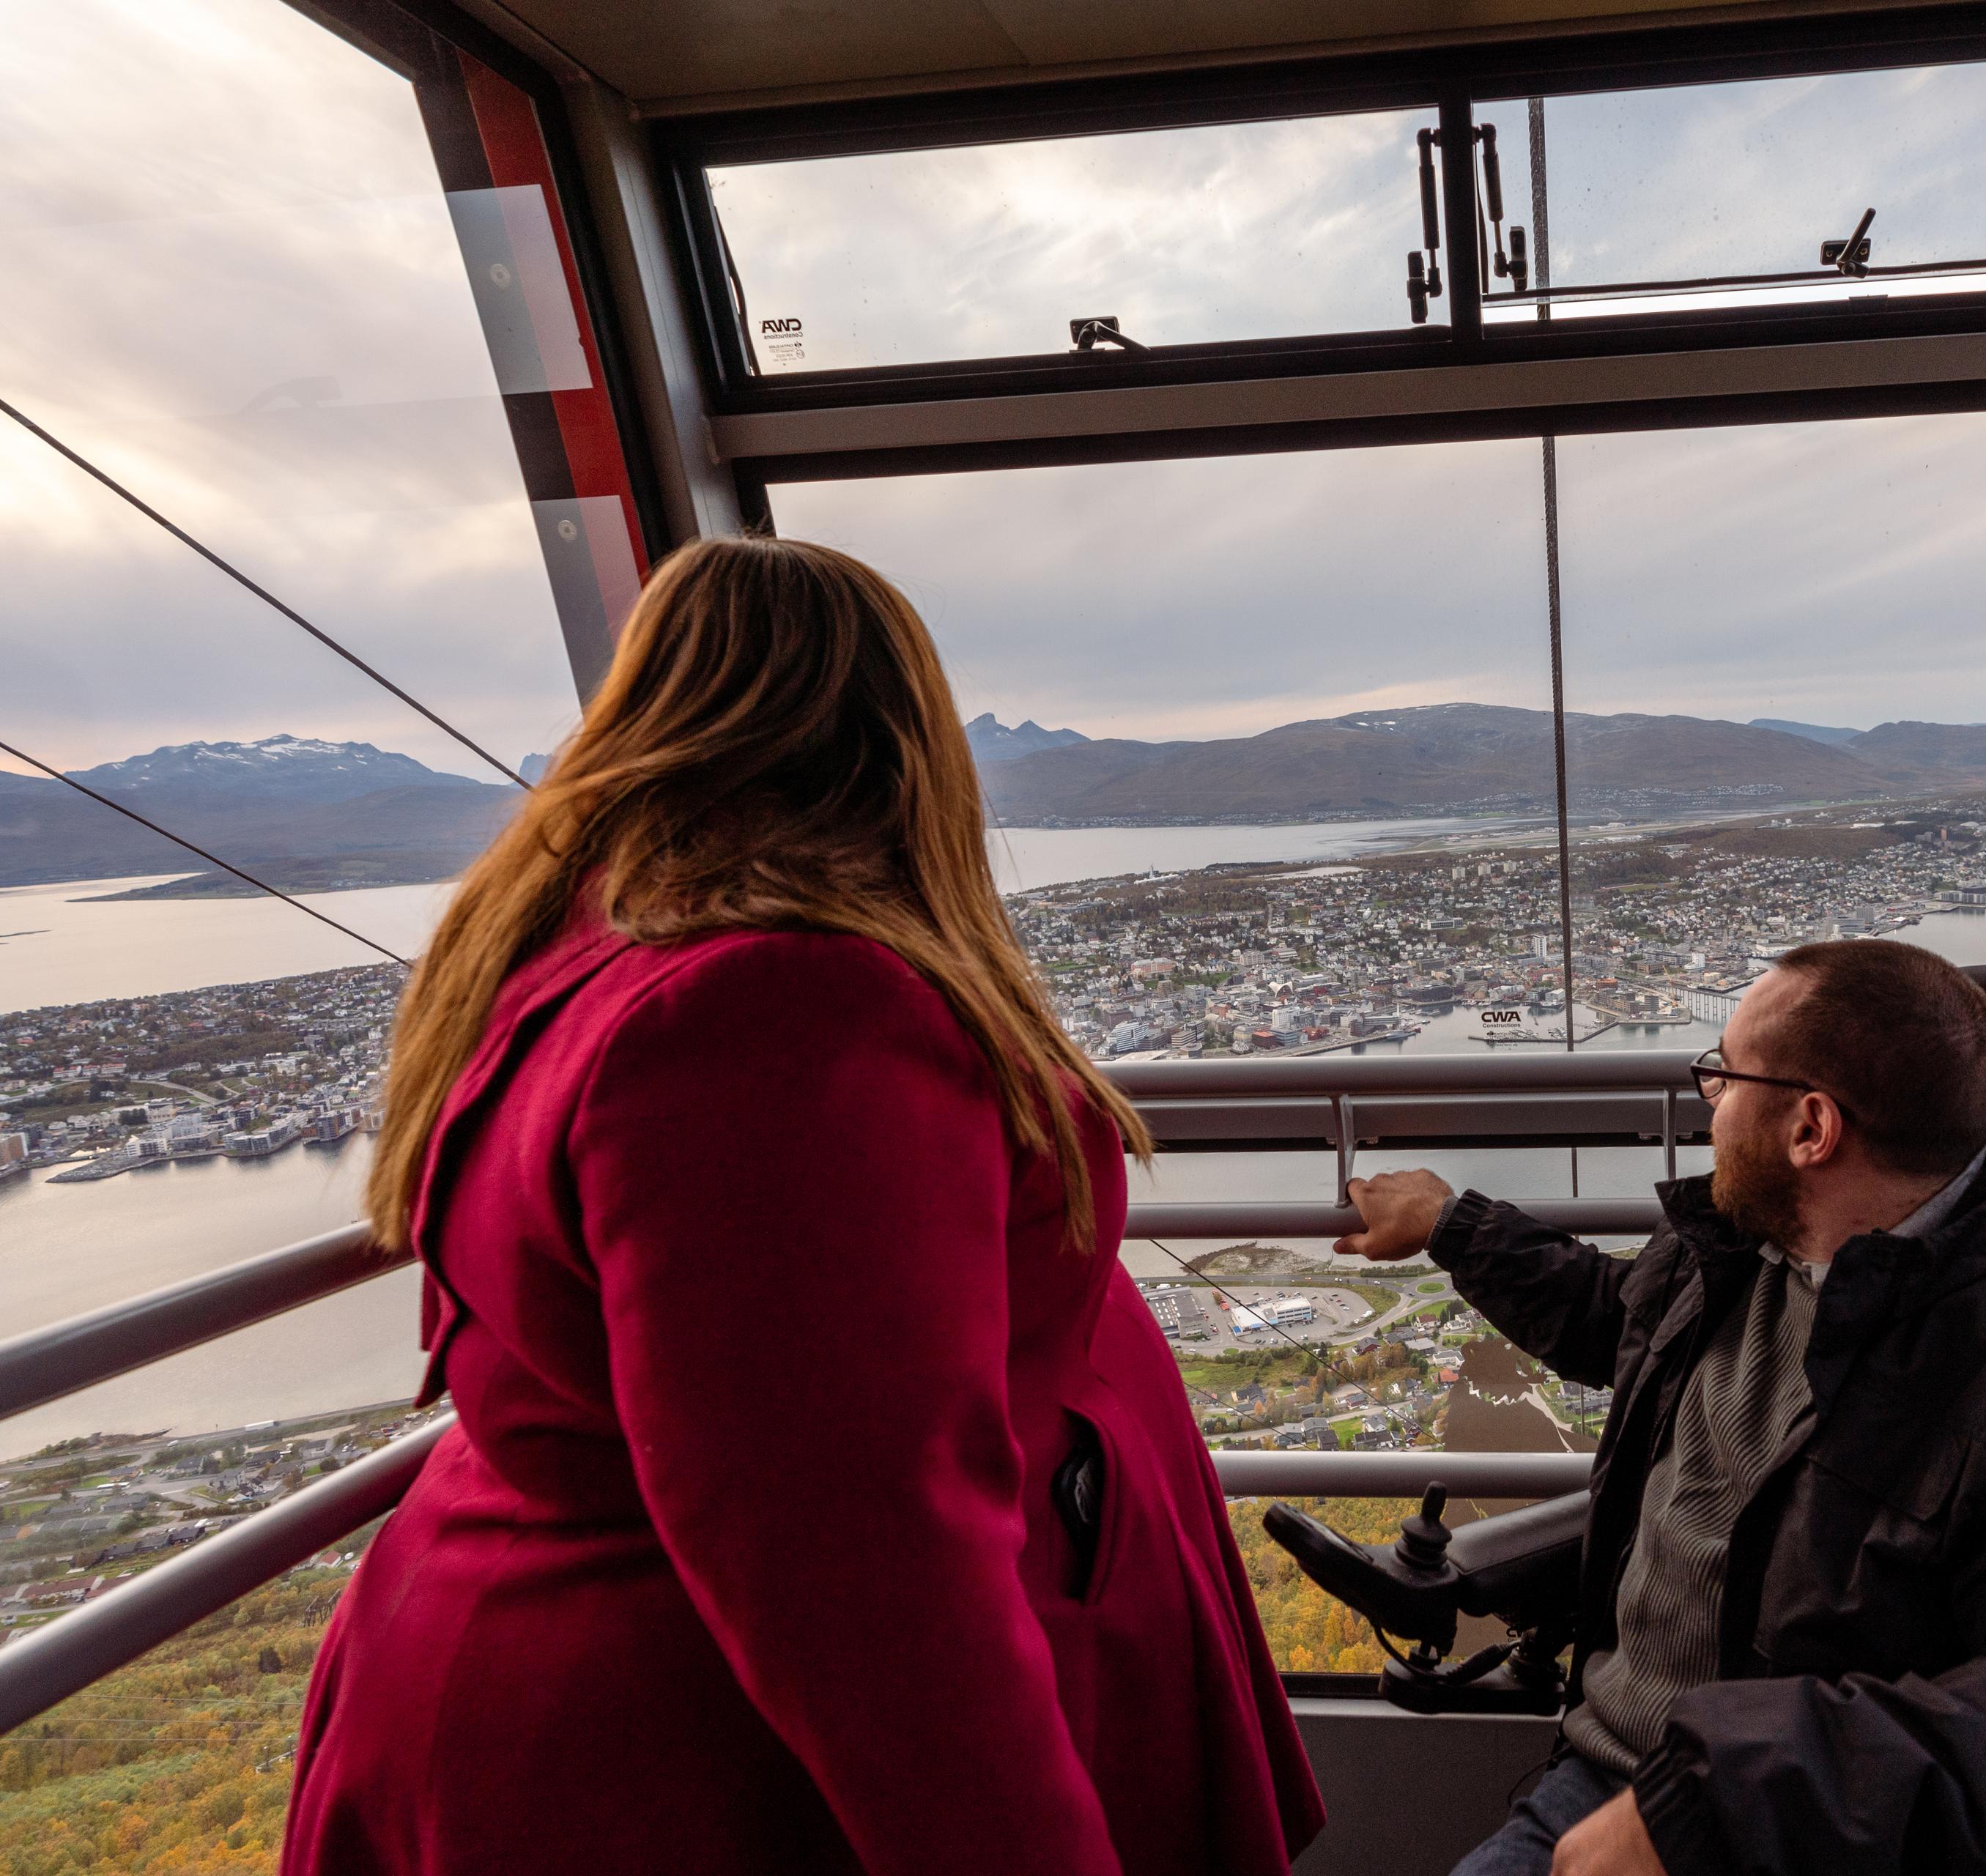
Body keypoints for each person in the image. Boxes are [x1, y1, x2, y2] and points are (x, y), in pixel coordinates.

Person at [284, 536, 1322, 1876]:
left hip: (581, 1677)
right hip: (709, 1764)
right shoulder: (776, 1015)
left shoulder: (560, 954)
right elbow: (868, 1577)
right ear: (899, 743)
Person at [1337, 941, 1986, 1876]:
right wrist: (1455, 1225)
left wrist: (1722, 1798)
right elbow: (1625, 1326)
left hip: (1796, 1839)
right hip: (1617, 1781)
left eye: (1722, 1076)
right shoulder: (1744, 1244)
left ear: (1811, 1127)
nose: (1709, 1102)